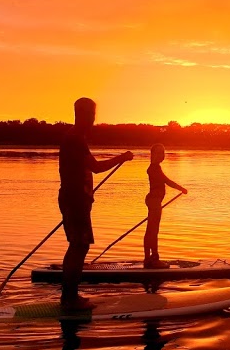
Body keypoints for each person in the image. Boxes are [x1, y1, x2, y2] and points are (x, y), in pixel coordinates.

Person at [59, 97, 133, 309]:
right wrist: (121, 158)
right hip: (75, 200)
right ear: (82, 114)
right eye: (91, 115)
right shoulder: (75, 139)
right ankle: (70, 299)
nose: (93, 119)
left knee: (78, 247)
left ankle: (70, 297)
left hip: (75, 199)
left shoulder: (75, 137)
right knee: (78, 247)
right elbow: (96, 167)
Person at [143, 143, 187, 268]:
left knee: (150, 230)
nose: (162, 155)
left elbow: (164, 181)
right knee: (153, 231)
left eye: (163, 152)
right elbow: (166, 181)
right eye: (159, 152)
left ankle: (148, 259)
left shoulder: (156, 167)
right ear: (153, 154)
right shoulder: (154, 168)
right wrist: (181, 188)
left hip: (154, 201)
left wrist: (180, 188)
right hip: (154, 201)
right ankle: (154, 259)